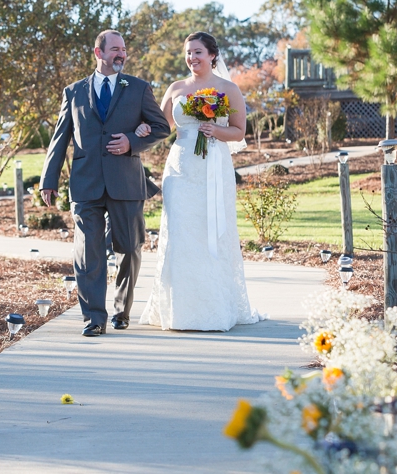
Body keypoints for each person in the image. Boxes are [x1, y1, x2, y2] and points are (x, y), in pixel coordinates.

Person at [40, 30, 171, 337]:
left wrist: (132, 142)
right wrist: (49, 179)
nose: (121, 54)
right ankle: (94, 318)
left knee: (129, 249)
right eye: (115, 49)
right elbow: (60, 139)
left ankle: (122, 309)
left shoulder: (138, 88)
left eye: (123, 49)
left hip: (126, 181)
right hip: (86, 184)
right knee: (89, 253)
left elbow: (161, 127)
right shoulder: (73, 92)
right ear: (98, 53)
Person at [138, 32, 265, 331]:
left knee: (213, 231)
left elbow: (238, 132)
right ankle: (179, 311)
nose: (192, 58)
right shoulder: (177, 88)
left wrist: (214, 129)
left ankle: (215, 307)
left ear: (212, 55)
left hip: (214, 168)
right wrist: (144, 128)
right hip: (181, 167)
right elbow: (163, 126)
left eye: (198, 52)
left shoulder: (228, 89)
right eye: (188, 53)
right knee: (180, 231)